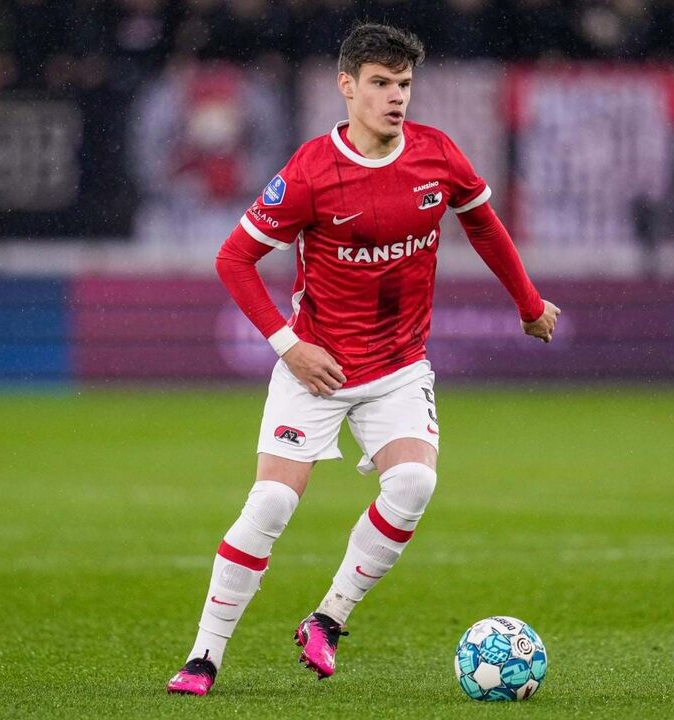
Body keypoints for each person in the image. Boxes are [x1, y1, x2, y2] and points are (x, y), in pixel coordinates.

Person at [167, 23, 560, 696]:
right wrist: (289, 346)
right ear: (346, 87)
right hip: (316, 370)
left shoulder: (437, 155)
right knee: (270, 503)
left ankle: (327, 619)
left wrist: (528, 303)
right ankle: (204, 657)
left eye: (403, 84)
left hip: (399, 368)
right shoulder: (311, 172)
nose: (395, 97)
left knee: (413, 486)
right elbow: (233, 259)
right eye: (380, 83)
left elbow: (483, 223)